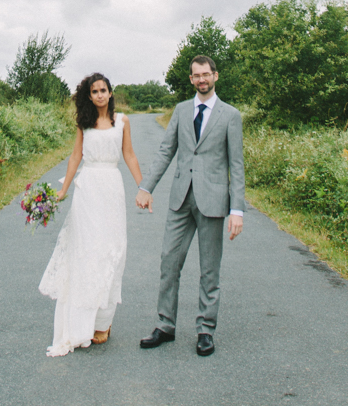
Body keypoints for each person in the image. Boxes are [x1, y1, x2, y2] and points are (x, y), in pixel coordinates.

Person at [134, 55, 244, 357]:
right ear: (191, 79)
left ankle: (205, 330)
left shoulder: (230, 115)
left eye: (206, 74)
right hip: (181, 199)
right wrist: (146, 187)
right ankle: (165, 325)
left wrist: (237, 210)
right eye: (196, 75)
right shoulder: (181, 111)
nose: (201, 80)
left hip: (213, 202)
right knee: (169, 262)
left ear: (215, 76)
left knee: (210, 270)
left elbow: (236, 165)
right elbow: (166, 151)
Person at [38, 72, 146, 356]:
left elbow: (130, 155)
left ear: (111, 93)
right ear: (89, 95)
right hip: (88, 191)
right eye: (94, 91)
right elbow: (75, 156)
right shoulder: (83, 124)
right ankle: (85, 320)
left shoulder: (122, 121)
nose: (99, 95)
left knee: (112, 250)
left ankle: (104, 320)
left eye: (104, 90)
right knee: (87, 251)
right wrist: (63, 190)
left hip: (111, 187)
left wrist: (144, 187)